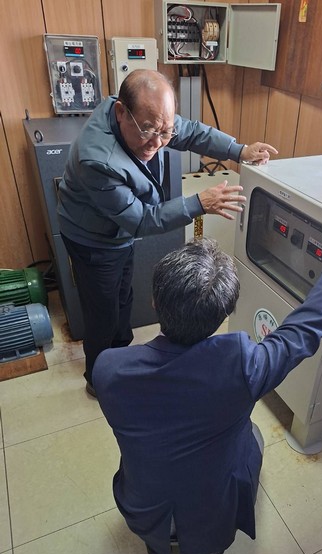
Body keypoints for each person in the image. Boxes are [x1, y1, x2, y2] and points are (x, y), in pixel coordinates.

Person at [92, 198, 322, 554]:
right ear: (222, 314)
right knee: (252, 434)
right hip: (209, 517)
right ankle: (203, 550)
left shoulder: (108, 370)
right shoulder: (244, 367)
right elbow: (306, 327)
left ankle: (157, 540)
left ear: (154, 301)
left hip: (142, 508)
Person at [57, 69, 278, 396]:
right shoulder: (98, 160)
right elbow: (142, 220)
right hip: (92, 239)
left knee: (123, 296)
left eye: (165, 132)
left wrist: (239, 150)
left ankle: (121, 355)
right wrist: (200, 203)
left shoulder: (150, 118)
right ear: (121, 112)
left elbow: (192, 132)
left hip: (119, 233)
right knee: (102, 312)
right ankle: (98, 379)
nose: (157, 142)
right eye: (149, 130)